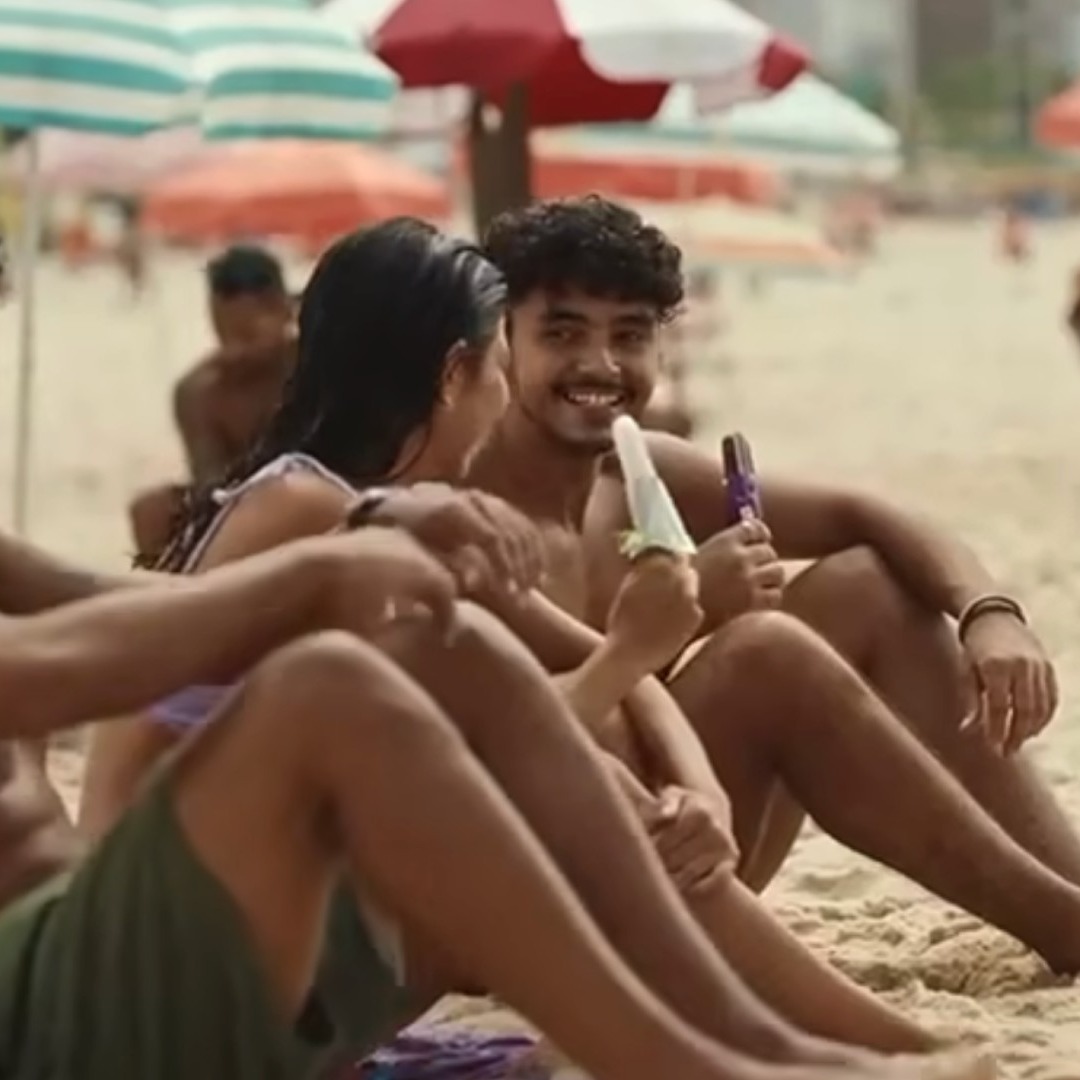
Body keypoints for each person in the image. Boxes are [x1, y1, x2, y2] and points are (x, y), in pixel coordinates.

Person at [81, 218, 970, 1063]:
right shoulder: (310, 510)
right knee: (569, 780)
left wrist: (698, 787)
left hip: (254, 938)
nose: (505, 398)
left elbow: (586, 674)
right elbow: (491, 753)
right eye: (500, 370)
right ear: (454, 376)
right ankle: (856, 1049)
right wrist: (636, 647)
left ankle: (839, 1044)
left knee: (598, 773)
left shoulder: (382, 509)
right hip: (186, 985)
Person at [8, 529, 997, 1080]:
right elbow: (43, 673)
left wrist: (371, 541)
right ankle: (689, 1067)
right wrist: (318, 571)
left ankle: (749, 1040)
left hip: (82, 946)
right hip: (42, 1020)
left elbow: (107, 603)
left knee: (457, 644)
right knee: (328, 692)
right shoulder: (302, 494)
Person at [469, 194, 1080, 974]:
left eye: (630, 335)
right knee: (763, 650)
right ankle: (1062, 923)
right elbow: (500, 745)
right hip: (535, 892)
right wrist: (695, 615)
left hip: (688, 839)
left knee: (866, 586)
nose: (600, 364)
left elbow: (867, 513)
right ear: (499, 342)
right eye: (562, 333)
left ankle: (1069, 881)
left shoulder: (633, 474)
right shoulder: (466, 509)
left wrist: (989, 613)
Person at [128, 244, 296, 563]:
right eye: (225, 335)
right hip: (241, 505)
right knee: (151, 512)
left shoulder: (315, 361)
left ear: (283, 310)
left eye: (247, 335)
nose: (235, 349)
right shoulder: (202, 392)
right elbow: (211, 486)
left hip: (326, 496)